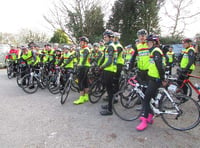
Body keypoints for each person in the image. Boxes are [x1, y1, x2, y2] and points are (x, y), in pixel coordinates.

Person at [136, 35, 166, 131]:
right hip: (152, 78)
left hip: (155, 79)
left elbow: (160, 67)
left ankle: (144, 121)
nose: (148, 44)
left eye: (150, 42)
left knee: (146, 99)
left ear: (154, 43)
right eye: (147, 42)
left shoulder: (156, 51)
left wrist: (162, 79)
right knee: (150, 98)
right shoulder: (153, 51)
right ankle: (150, 117)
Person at [99, 30, 117, 116]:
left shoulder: (111, 46)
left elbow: (110, 61)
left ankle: (110, 110)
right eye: (104, 37)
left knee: (109, 90)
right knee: (109, 89)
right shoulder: (109, 46)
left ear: (110, 37)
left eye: (105, 37)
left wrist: (102, 66)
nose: (104, 38)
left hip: (109, 70)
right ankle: (110, 105)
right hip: (108, 69)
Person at [73, 36, 91, 105]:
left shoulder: (86, 49)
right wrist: (78, 63)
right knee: (85, 82)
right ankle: (86, 96)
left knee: (80, 82)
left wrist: (80, 65)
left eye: (81, 41)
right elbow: (80, 59)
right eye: (80, 41)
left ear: (85, 43)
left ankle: (81, 98)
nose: (80, 43)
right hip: (84, 66)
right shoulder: (82, 49)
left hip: (84, 67)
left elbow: (84, 60)